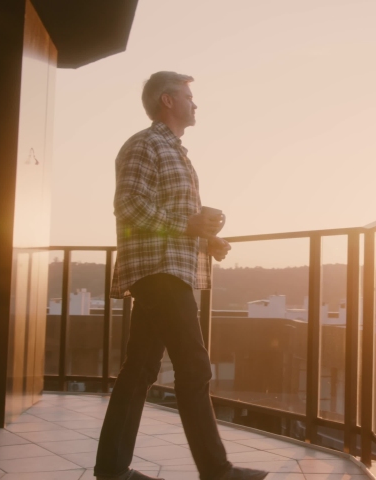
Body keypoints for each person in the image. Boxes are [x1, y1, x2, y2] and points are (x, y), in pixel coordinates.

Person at [94, 72, 267, 480]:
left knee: (139, 370)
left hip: (171, 268)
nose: (195, 104)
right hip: (157, 273)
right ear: (167, 101)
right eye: (189, 97)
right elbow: (129, 208)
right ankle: (217, 471)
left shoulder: (178, 154)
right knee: (194, 368)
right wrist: (188, 227)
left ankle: (112, 470)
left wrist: (208, 242)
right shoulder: (144, 144)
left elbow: (175, 220)